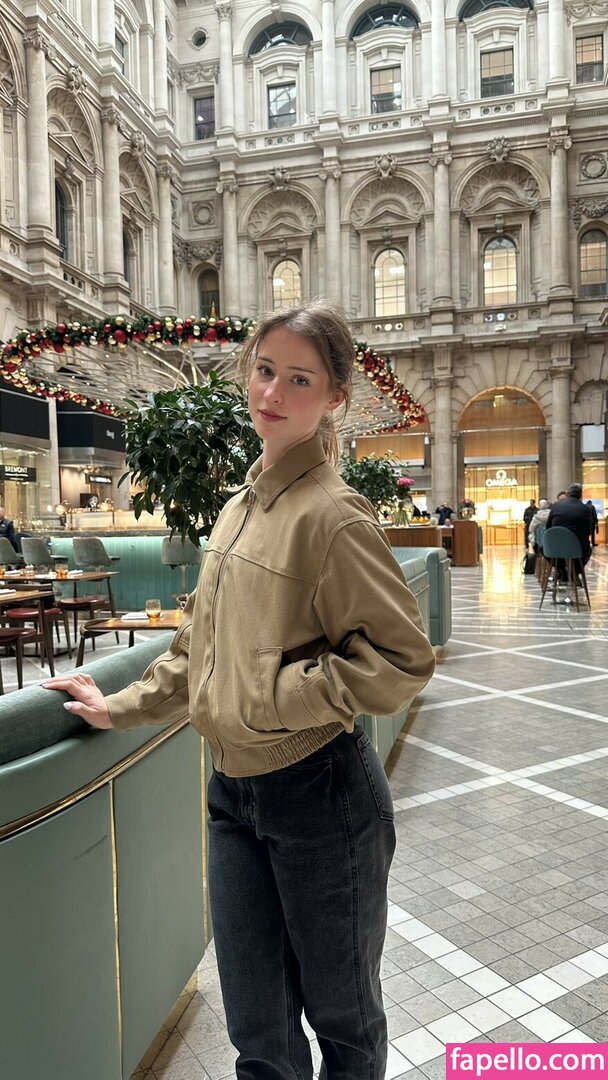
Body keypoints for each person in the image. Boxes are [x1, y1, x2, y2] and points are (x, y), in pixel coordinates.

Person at [42, 301, 435, 1080]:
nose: (273, 393)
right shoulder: (235, 511)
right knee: (258, 1031)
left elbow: (402, 659)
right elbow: (199, 650)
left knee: (344, 1020)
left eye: (299, 379)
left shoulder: (334, 517)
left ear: (335, 397)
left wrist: (274, 695)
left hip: (320, 794)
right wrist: (116, 706)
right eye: (264, 370)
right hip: (232, 796)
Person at [545, 482, 593, 584]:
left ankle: (562, 570)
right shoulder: (586, 509)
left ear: (567, 494)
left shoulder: (556, 506)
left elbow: (548, 527)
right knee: (587, 549)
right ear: (580, 495)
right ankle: (574, 571)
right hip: (577, 549)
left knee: (542, 548)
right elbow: (588, 531)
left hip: (556, 549)